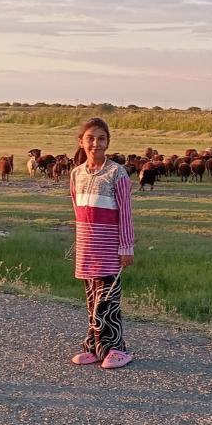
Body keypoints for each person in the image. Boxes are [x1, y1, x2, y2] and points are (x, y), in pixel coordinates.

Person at [68, 117, 136, 369]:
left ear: (108, 142)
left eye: (101, 138)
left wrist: (126, 248)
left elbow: (125, 214)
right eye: (91, 138)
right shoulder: (77, 174)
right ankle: (95, 347)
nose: (96, 143)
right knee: (91, 300)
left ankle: (117, 349)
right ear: (81, 142)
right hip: (88, 248)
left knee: (107, 301)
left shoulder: (116, 173)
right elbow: (78, 212)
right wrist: (80, 243)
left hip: (110, 249)